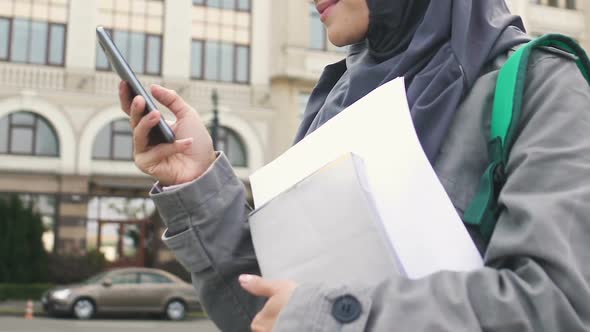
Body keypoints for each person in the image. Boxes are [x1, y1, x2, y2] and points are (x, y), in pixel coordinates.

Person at [119, 0, 590, 331]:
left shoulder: (545, 85)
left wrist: (330, 316)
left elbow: (558, 308)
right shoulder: (335, 103)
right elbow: (269, 312)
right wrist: (198, 180)